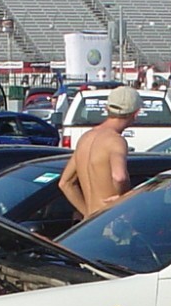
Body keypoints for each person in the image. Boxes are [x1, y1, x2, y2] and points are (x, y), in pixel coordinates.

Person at [58, 84, 135, 219]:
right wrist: (125, 198)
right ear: (136, 113)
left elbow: (65, 183)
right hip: (110, 222)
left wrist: (87, 214)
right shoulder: (115, 141)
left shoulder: (86, 138)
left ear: (107, 108)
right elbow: (119, 177)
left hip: (90, 225)